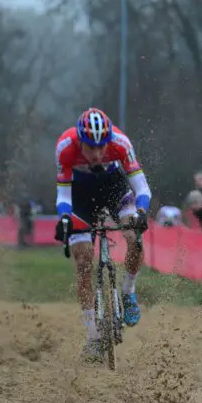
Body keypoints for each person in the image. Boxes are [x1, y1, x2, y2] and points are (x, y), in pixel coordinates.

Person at [54, 108, 151, 361]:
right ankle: (93, 336)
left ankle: (128, 292)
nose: (97, 154)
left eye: (102, 147)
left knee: (134, 238)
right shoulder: (65, 147)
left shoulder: (120, 143)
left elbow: (142, 187)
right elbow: (63, 194)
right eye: (90, 148)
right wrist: (64, 217)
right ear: (79, 141)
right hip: (80, 196)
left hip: (113, 187)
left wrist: (141, 212)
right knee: (84, 260)